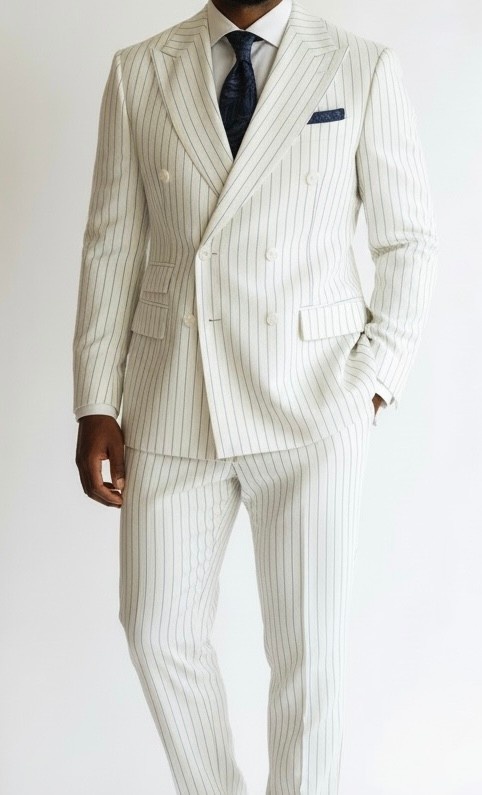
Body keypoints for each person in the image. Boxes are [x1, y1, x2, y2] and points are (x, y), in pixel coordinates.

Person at [73, 0, 438, 792]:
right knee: (156, 629)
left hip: (314, 400)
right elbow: (112, 241)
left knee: (308, 655)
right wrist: (96, 397)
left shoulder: (360, 65)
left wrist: (374, 378)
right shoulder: (140, 70)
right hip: (174, 390)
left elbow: (408, 239)